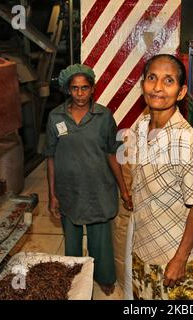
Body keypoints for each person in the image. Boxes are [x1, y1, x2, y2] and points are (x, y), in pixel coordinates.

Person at [42, 64, 133, 296]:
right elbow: (50, 157)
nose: (80, 94)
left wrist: (123, 189)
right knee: (71, 242)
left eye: (84, 88)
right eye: (74, 89)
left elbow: (112, 153)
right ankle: (73, 279)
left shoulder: (104, 116)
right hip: (68, 190)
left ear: (92, 89)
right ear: (67, 90)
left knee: (100, 241)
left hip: (98, 189)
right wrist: (52, 195)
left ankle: (104, 277)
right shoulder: (55, 117)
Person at [126, 54, 193, 300]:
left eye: (168, 81)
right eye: (152, 78)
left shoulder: (187, 141)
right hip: (144, 249)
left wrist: (180, 259)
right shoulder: (142, 127)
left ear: (181, 92)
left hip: (173, 257)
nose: (158, 87)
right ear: (143, 85)